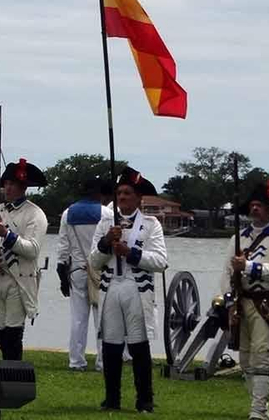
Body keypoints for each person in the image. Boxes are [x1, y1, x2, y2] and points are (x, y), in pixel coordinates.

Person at [218, 177, 269, 420]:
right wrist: (227, 302)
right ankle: (261, 408)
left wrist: (251, 267)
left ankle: (257, 411)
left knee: (263, 356)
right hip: (241, 303)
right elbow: (227, 273)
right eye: (253, 204)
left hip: (266, 304)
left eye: (260, 205)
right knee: (246, 359)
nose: (255, 208)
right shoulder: (238, 238)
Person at [90, 167, 169, 413]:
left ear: (138, 198)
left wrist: (131, 253)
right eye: (119, 192)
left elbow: (160, 261)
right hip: (111, 285)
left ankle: (144, 399)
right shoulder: (106, 222)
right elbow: (93, 261)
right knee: (111, 345)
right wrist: (106, 243)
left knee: (138, 346)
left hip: (136, 288)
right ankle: (112, 399)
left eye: (127, 193)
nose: (122, 197)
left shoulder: (150, 224)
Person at [0, 158, 49, 362]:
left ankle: (12, 374)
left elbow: (32, 249)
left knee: (13, 333)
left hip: (19, 280)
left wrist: (7, 235)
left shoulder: (35, 214)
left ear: (23, 187)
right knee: (0, 333)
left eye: (13, 184)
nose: (8, 188)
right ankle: (6, 371)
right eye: (6, 184)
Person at [56, 176, 109, 371]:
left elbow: (63, 249)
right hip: (100, 271)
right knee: (102, 318)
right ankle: (103, 362)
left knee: (78, 318)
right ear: (97, 193)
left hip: (76, 270)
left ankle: (76, 361)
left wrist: (62, 277)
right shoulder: (106, 213)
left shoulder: (67, 213)